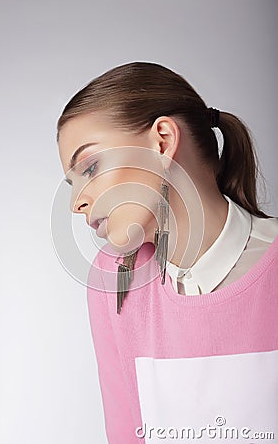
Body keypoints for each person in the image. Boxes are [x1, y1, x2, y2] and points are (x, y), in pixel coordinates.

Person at [56, 62, 278, 443]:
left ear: (162, 141)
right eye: (73, 183)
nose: (77, 203)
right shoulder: (111, 279)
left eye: (90, 167)